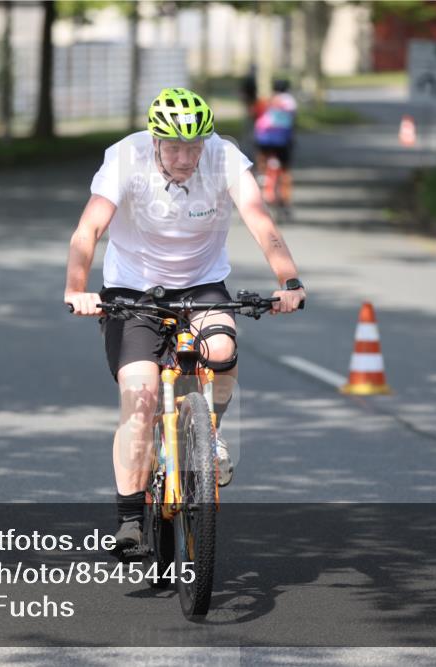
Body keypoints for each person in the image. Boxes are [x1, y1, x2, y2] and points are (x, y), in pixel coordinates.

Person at [63, 87, 306, 558]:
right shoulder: (126, 158)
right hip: (132, 291)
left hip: (201, 285)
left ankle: (206, 439)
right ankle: (130, 517)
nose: (183, 157)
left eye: (193, 147)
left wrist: (289, 280)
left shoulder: (224, 159)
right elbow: (88, 229)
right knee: (142, 393)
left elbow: (260, 220)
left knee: (221, 350)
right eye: (173, 147)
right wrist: (77, 289)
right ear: (154, 141)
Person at [253, 78, 298, 211]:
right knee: (285, 169)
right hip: (282, 139)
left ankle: (263, 178)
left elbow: (257, 116)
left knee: (263, 159)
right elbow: (293, 120)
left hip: (264, 138)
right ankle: (286, 198)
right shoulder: (290, 101)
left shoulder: (267, 100)